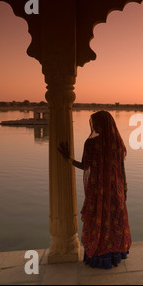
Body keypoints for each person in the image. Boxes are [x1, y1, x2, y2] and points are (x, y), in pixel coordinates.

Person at [58, 110, 131, 269]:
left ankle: (99, 256)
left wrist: (68, 159)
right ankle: (115, 255)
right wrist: (124, 189)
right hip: (115, 190)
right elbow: (122, 168)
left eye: (94, 122)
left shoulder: (91, 143)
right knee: (113, 221)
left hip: (98, 191)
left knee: (99, 220)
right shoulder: (117, 143)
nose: (92, 125)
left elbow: (85, 166)